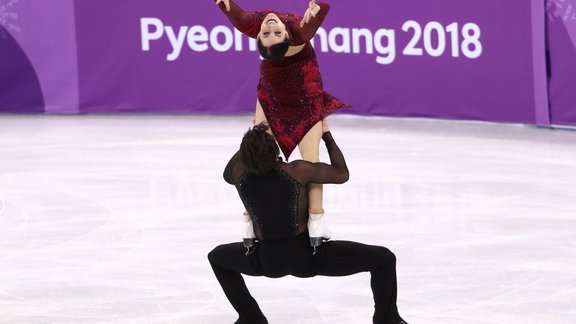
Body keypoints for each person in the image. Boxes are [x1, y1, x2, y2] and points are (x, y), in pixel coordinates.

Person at [208, 121, 407, 324]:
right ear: (274, 151)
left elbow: (232, 166)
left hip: (266, 261)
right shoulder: (297, 171)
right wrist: (326, 136)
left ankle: (251, 318)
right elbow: (341, 173)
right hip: (310, 258)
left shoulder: (237, 176)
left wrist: (252, 139)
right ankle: (388, 320)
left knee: (217, 257)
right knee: (384, 259)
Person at [213, 0, 352, 249]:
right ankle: (248, 218)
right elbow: (317, 17)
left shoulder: (275, 29)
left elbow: (240, 17)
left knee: (311, 161)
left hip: (305, 99)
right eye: (270, 33)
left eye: (272, 32)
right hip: (273, 97)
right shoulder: (291, 30)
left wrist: (226, 5)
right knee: (255, 154)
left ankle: (316, 221)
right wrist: (317, 10)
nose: (270, 26)